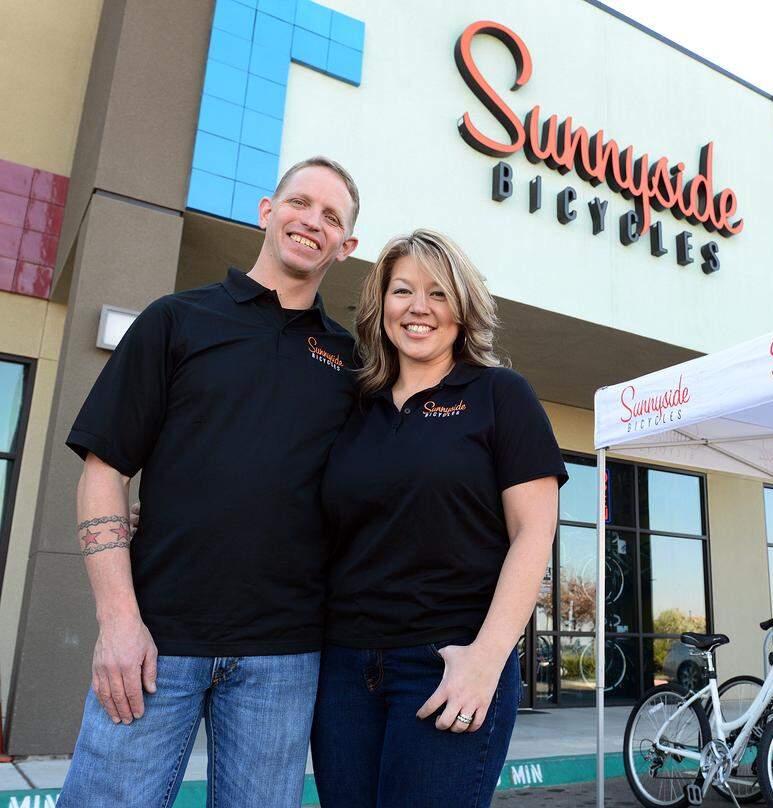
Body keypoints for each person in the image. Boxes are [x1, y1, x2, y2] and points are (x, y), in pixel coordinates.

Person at [58, 157, 361, 808]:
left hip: (284, 657)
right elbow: (104, 470)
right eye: (299, 203)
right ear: (267, 211)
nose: (312, 221)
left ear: (346, 245)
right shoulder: (176, 320)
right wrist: (117, 621)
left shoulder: (351, 365)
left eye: (331, 217)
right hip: (154, 642)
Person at [310, 229, 566, 807]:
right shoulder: (355, 405)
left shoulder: (501, 395)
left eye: (438, 293)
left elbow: (533, 534)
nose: (418, 307)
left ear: (463, 307)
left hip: (448, 662)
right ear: (381, 305)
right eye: (403, 290)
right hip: (345, 669)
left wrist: (486, 661)